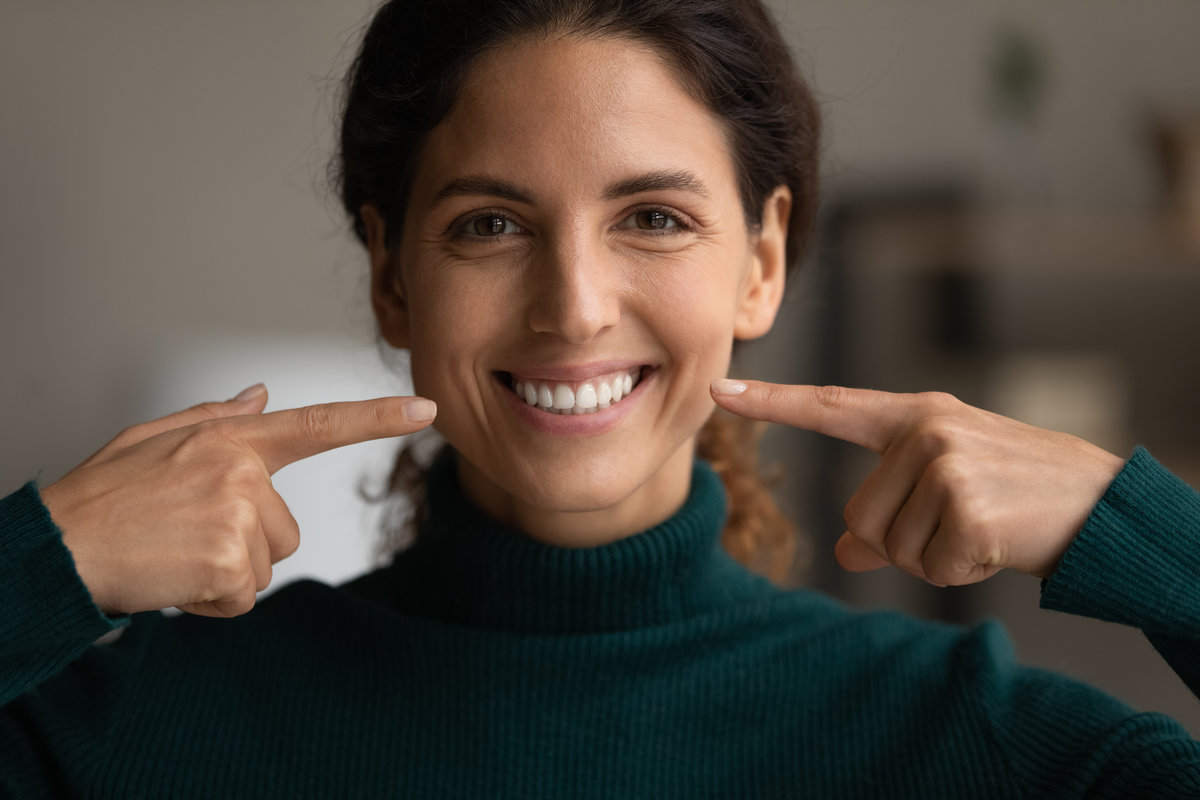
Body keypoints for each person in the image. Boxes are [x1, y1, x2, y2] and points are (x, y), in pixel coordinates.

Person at [3, 0, 1200, 796]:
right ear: (390, 275)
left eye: (654, 218)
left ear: (762, 261)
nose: (573, 306)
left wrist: (1134, 526)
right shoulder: (153, 727)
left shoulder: (962, 740)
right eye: (490, 223)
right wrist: (41, 558)